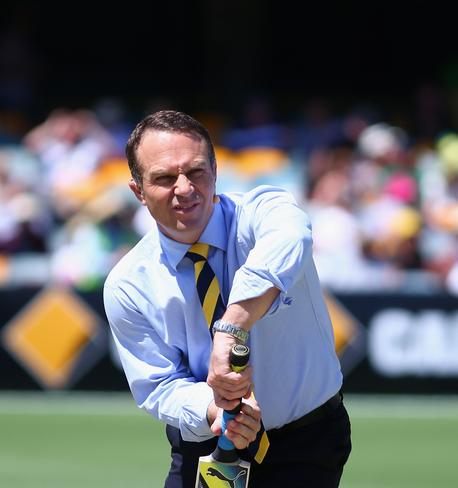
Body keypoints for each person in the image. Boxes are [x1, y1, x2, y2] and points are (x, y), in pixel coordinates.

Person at [103, 110, 351, 487]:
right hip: (206, 445)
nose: (184, 188)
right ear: (138, 191)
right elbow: (157, 386)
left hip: (307, 442)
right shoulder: (128, 283)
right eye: (165, 178)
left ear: (216, 170)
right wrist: (213, 410)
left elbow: (293, 236)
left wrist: (231, 328)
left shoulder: (264, 211)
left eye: (196, 172)